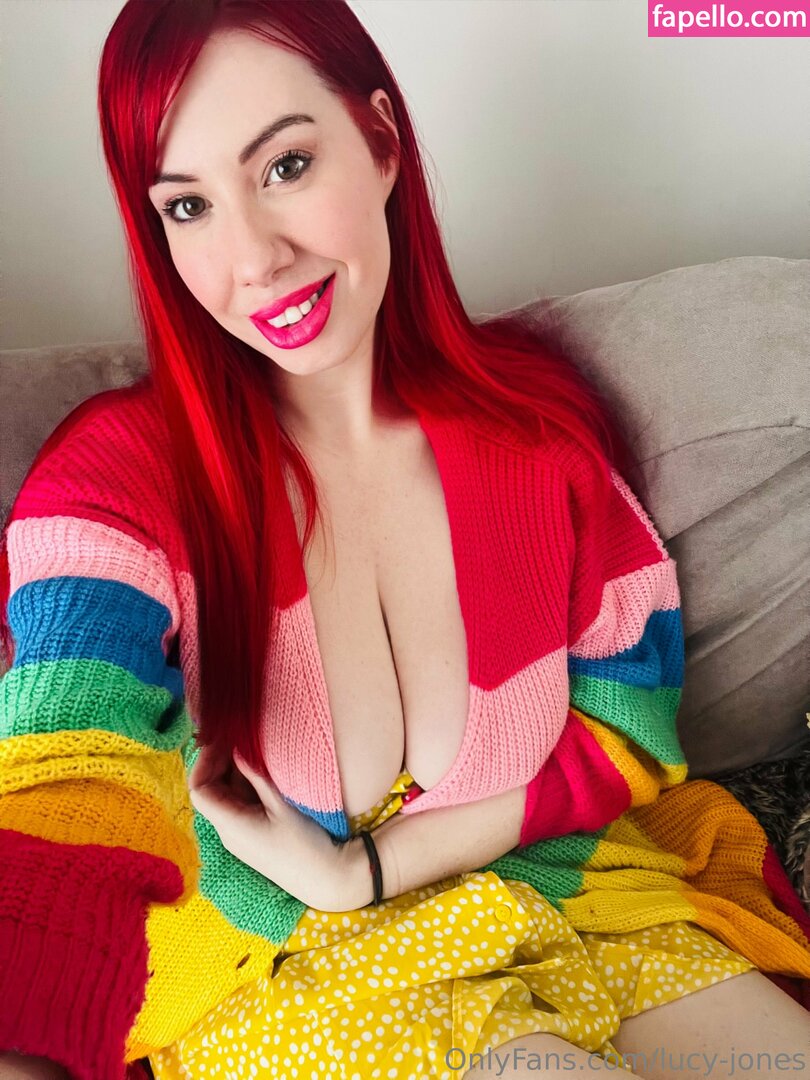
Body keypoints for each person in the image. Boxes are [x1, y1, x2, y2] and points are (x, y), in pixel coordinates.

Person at [1, 2, 808, 1078]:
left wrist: (367, 868)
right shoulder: (116, 481)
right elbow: (65, 782)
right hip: (283, 968)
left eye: (285, 166)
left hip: (575, 899)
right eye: (188, 205)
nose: (256, 258)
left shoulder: (536, 440)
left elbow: (624, 730)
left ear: (381, 140)